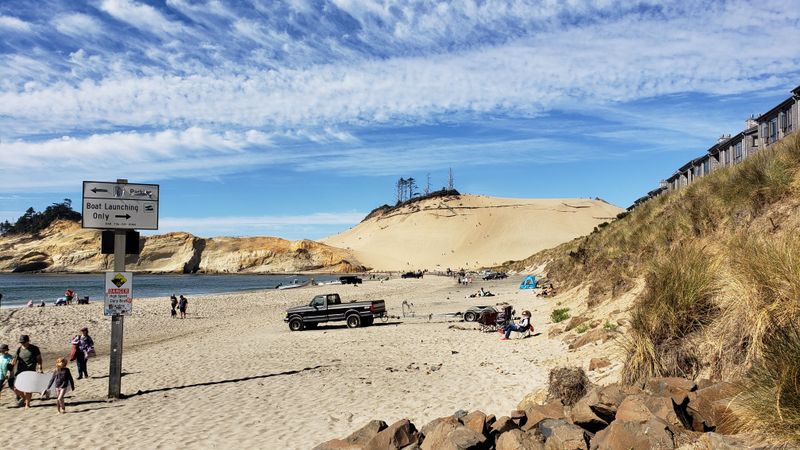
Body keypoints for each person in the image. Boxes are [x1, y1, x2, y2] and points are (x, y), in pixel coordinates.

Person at [12, 334, 43, 408]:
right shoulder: (19, 349)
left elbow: (39, 359)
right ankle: (23, 398)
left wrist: (40, 368)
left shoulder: (34, 348)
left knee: (28, 388)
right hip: (20, 371)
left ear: (28, 341)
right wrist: (10, 367)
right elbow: (14, 360)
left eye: (24, 342)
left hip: (30, 371)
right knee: (16, 387)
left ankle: (27, 404)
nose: (22, 343)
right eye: (21, 342)